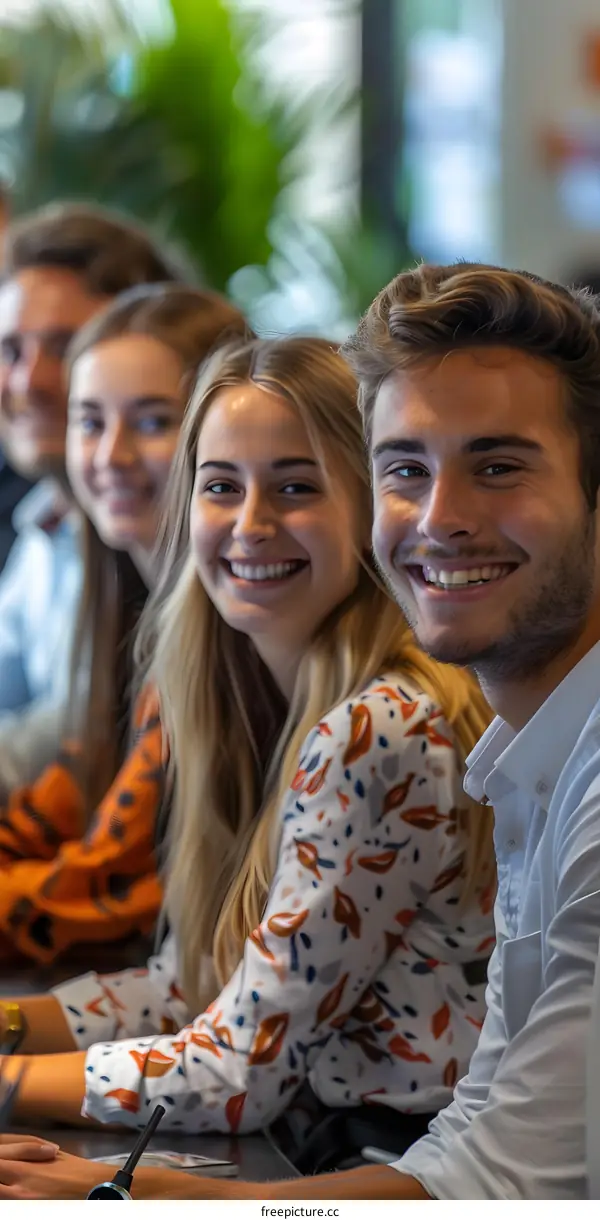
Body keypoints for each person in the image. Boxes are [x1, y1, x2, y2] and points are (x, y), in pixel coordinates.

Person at [5, 261, 600, 1201]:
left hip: (357, 1148)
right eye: (220, 486)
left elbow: (246, 1066)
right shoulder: (254, 700)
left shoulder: (386, 725)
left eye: (294, 486)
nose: (250, 525)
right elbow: (195, 980)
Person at [0, 282, 248, 966]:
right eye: (90, 421)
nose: (108, 455)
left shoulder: (238, 638)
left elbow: (93, 896)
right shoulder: (134, 620)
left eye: (149, 422)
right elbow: (56, 807)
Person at [0, 201, 191, 797]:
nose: (29, 381)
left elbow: (69, 758)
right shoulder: (44, 525)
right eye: (11, 351)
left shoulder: (165, 538)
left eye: (64, 347)